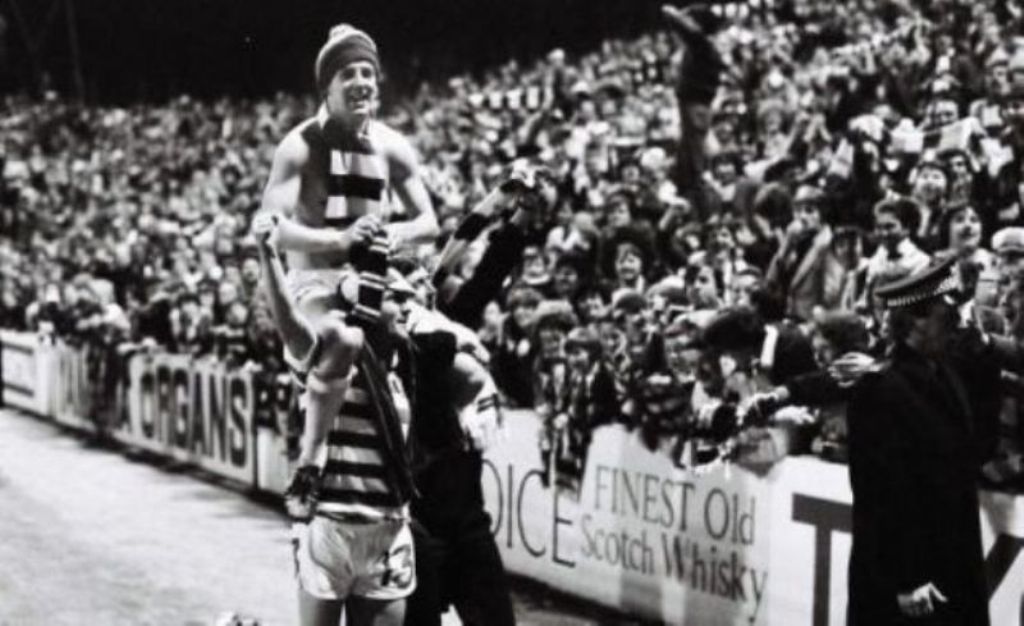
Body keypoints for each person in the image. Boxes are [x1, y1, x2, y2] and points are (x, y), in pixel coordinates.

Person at [256, 23, 438, 472]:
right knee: (337, 339)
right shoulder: (298, 147)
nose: (361, 83)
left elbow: (429, 223)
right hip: (314, 283)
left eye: (367, 73)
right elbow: (269, 230)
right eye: (348, 75)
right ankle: (310, 450)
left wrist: (398, 235)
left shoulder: (393, 146)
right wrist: (337, 239)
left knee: (451, 353)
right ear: (327, 87)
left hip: (374, 281)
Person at [845, 257, 990, 626]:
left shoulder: (947, 374)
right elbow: (879, 493)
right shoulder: (881, 388)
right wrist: (905, 577)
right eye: (945, 318)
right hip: (910, 577)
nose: (956, 325)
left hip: (951, 561)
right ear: (913, 323)